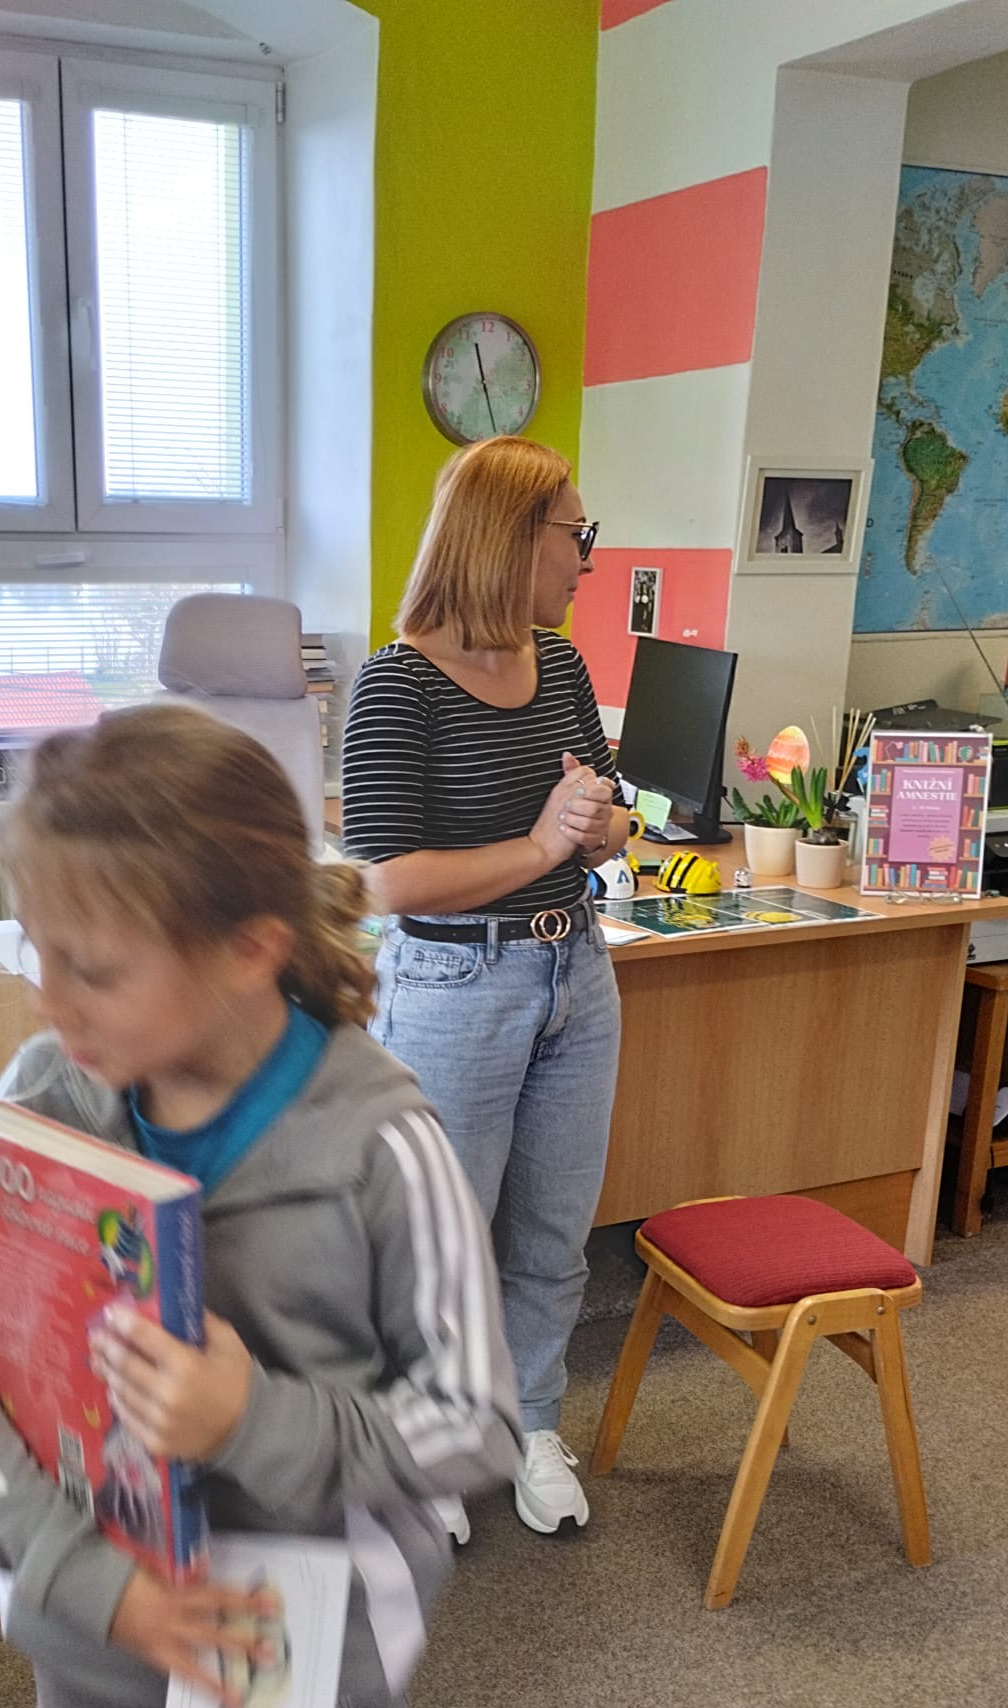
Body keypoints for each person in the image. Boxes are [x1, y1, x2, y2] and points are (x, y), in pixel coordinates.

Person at [0, 703, 520, 1708]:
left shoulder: (379, 1143)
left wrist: (252, 1419)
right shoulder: (49, 1094)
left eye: (93, 969)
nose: (49, 1002)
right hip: (99, 1610)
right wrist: (83, 1578)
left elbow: (474, 1422)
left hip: (294, 1619)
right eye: (39, 954)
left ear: (249, 947)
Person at [342, 434, 628, 1544]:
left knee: (553, 1235)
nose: (588, 558)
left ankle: (532, 1423)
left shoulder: (562, 665)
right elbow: (382, 879)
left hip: (575, 971)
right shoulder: (397, 684)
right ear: (510, 539)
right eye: (576, 533)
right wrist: (545, 842)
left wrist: (601, 826)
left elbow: (606, 812)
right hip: (454, 981)